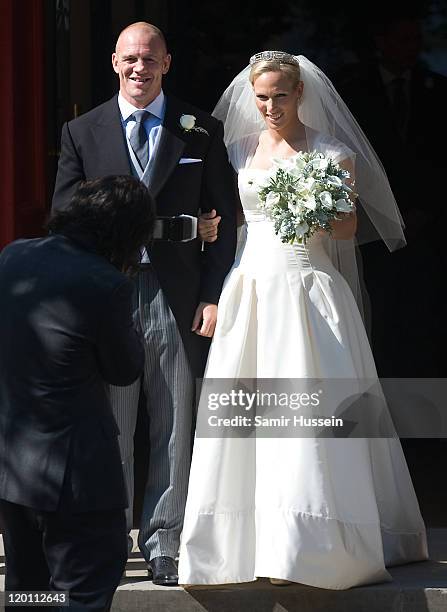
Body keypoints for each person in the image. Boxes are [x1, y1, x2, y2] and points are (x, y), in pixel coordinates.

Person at [178, 52, 428, 589]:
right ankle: (243, 542)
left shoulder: (332, 153)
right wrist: (206, 230)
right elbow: (224, 218)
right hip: (249, 289)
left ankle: (308, 542)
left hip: (307, 289)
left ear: (300, 95)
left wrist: (315, 207)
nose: (270, 106)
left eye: (280, 96)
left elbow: (346, 229)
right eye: (262, 97)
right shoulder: (235, 149)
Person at [51, 22, 237, 586]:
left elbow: (225, 223)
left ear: (167, 63)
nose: (139, 68)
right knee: (109, 423)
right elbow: (64, 218)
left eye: (149, 59)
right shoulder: (82, 131)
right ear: (114, 63)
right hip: (107, 292)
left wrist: (211, 295)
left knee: (175, 421)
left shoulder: (199, 129)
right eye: (130, 59)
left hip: (177, 296)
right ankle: (109, 539)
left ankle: (164, 541)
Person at [0, 175, 154, 610]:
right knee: (83, 592)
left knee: (29, 593)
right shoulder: (107, 284)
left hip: (14, 469)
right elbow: (125, 370)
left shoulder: (13, 256)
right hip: (78, 478)